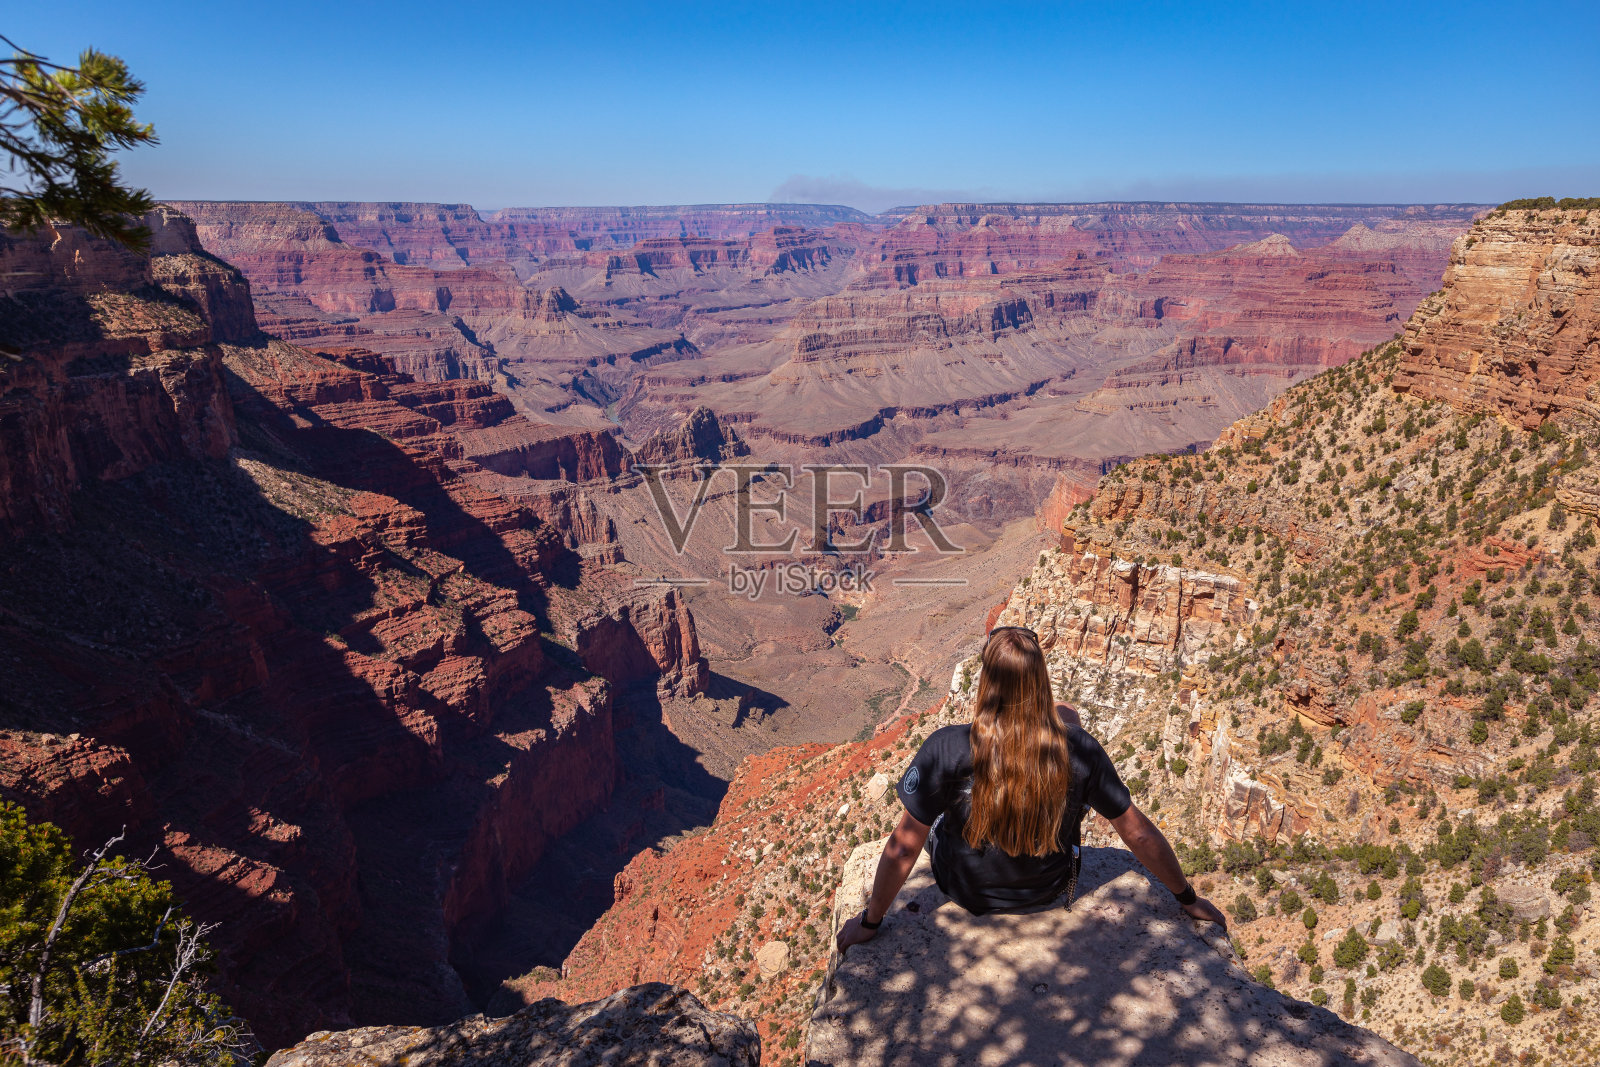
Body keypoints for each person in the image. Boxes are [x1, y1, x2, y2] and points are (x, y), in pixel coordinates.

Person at [837, 626, 1226, 953]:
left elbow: (905, 844)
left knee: (933, 822)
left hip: (965, 888)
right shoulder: (1081, 750)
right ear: (1040, 679)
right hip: (1046, 889)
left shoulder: (946, 747)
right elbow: (1137, 833)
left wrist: (870, 923)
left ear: (986, 682)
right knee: (1067, 722)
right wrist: (1187, 899)